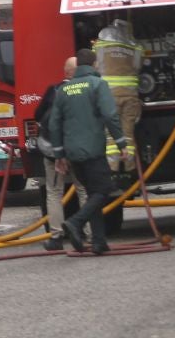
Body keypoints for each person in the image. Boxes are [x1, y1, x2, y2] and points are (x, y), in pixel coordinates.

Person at [49, 48, 129, 254]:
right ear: (94, 65)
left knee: (93, 192)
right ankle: (76, 221)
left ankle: (99, 242)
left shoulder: (64, 90)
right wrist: (122, 143)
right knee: (104, 190)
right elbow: (110, 115)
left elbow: (54, 124)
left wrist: (59, 154)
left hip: (73, 153)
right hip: (93, 150)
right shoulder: (97, 84)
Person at [35, 55, 91, 251]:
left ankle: (56, 237)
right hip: (77, 149)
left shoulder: (54, 90)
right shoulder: (87, 89)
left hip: (53, 151)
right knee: (84, 190)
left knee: (54, 193)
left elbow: (38, 115)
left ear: (65, 72)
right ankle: (89, 234)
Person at [93, 16, 145, 170]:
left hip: (109, 97)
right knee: (128, 132)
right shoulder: (136, 47)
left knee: (110, 134)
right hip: (131, 97)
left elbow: (95, 66)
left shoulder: (99, 46)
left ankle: (113, 168)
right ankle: (129, 166)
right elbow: (137, 67)